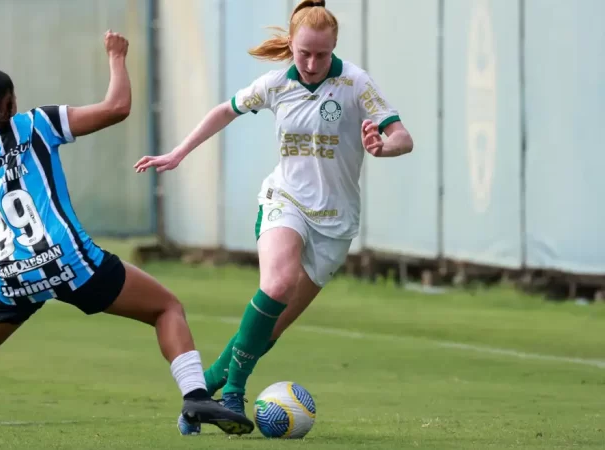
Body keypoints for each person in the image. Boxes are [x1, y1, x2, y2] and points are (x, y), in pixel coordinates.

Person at [0, 30, 253, 450]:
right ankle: (196, 398)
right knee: (167, 308)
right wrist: (116, 56)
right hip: (68, 260)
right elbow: (117, 108)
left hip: (12, 275)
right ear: (12, 101)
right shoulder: (36, 124)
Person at [134, 0, 414, 435]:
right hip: (285, 200)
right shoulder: (275, 83)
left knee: (268, 329)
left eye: (321, 54)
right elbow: (224, 110)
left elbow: (403, 136)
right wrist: (178, 152)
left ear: (334, 46)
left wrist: (383, 146)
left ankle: (201, 396)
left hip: (336, 223)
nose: (311, 62)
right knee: (277, 284)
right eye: (304, 52)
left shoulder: (356, 83)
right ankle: (233, 395)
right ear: (292, 44)